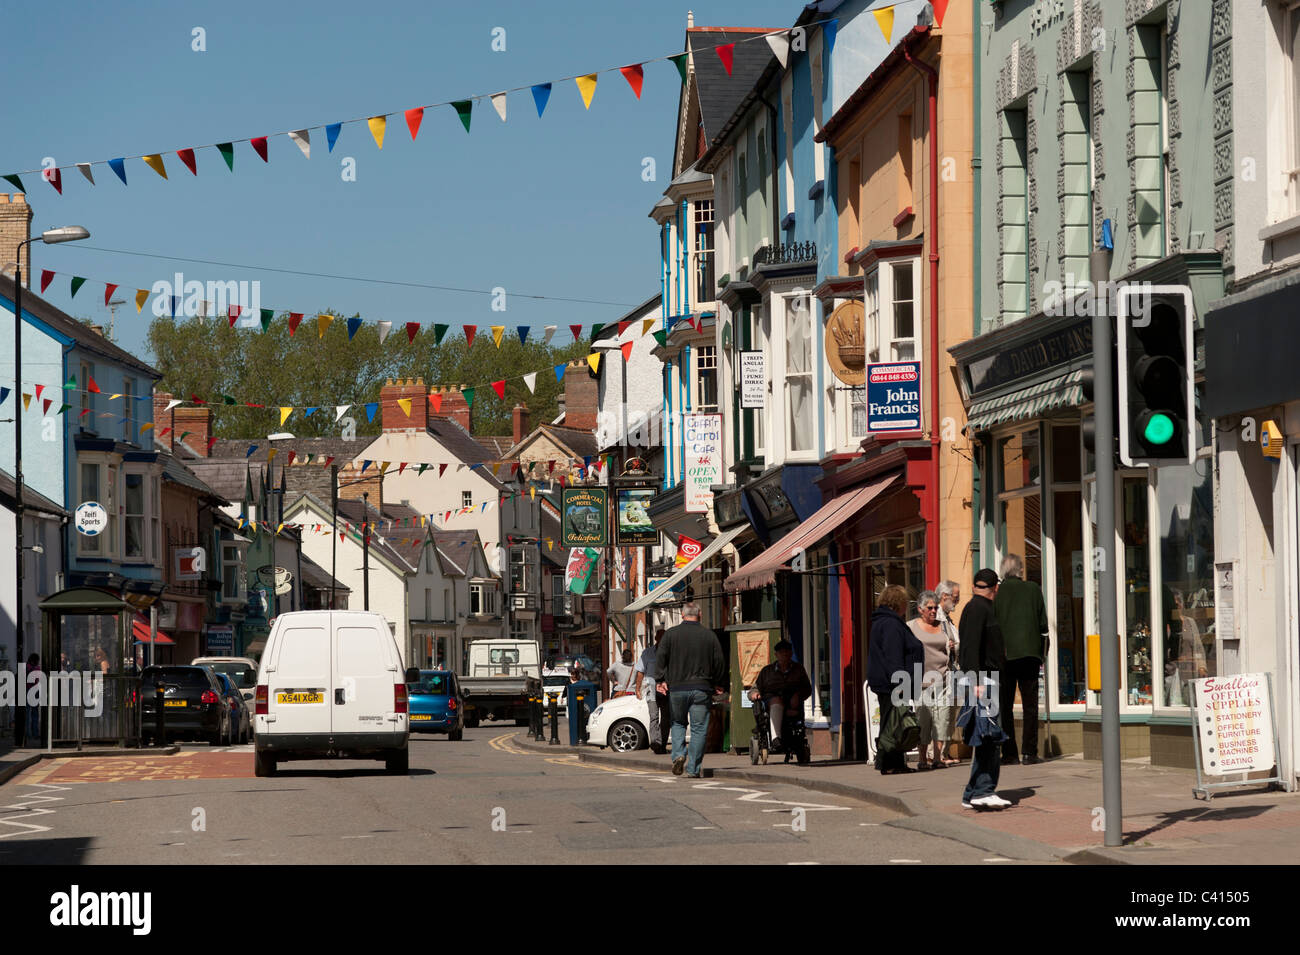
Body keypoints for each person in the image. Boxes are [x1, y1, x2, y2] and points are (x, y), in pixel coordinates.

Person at [958, 568, 1011, 810]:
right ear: (995, 588)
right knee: (989, 737)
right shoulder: (980, 609)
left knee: (984, 736)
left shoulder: (974, 607)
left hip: (983, 679)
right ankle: (983, 790)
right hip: (984, 681)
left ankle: (972, 792)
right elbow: (969, 648)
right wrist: (976, 681)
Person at [655, 603, 726, 778]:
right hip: (702, 688)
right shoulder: (709, 636)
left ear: (682, 614)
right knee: (699, 729)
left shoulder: (670, 634)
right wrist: (717, 682)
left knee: (678, 723)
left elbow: (660, 658)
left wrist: (660, 679)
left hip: (677, 688)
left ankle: (678, 754)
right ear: (700, 614)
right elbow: (719, 662)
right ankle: (693, 768)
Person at [993, 554, 1049, 764]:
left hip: (1005, 656)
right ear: (1020, 571)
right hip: (1030, 654)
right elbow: (1043, 624)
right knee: (1030, 705)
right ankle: (1029, 752)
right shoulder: (1033, 589)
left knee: (1005, 706)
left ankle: (1009, 753)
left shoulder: (998, 592)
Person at [866, 585, 924, 775]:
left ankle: (891, 762)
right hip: (893, 683)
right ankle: (890, 763)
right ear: (898, 603)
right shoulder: (891, 624)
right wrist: (900, 682)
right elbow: (893, 655)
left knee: (893, 722)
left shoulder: (885, 621)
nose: (907, 606)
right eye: (906, 602)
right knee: (895, 724)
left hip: (889, 682)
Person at [908, 592, 954, 770]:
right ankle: (922, 758)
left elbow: (951, 646)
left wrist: (951, 646)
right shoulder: (911, 627)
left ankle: (937, 757)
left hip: (942, 679)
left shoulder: (943, 626)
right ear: (920, 609)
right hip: (921, 682)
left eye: (935, 607)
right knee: (923, 720)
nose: (934, 611)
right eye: (930, 608)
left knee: (942, 719)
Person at [748, 640, 812, 754]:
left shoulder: (798, 669)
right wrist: (754, 694)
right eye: (781, 652)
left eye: (787, 652)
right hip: (772, 702)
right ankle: (775, 739)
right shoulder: (767, 671)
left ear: (791, 654)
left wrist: (799, 695)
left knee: (792, 703)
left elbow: (807, 688)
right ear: (776, 655)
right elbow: (755, 688)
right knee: (776, 701)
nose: (785, 655)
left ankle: (795, 743)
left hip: (791, 702)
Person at [634, 629, 668, 753]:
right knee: (654, 716)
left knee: (665, 718)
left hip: (666, 690)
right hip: (651, 690)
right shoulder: (647, 653)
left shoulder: (670, 653)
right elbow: (640, 672)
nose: (663, 640)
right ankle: (655, 743)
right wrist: (637, 689)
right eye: (660, 637)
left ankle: (662, 744)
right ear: (656, 639)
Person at [25, 654, 42, 745]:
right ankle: (35, 733)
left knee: (27, 714)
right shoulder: (37, 669)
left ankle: (28, 733)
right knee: (34, 714)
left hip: (27, 691)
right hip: (34, 691)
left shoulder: (26, 667)